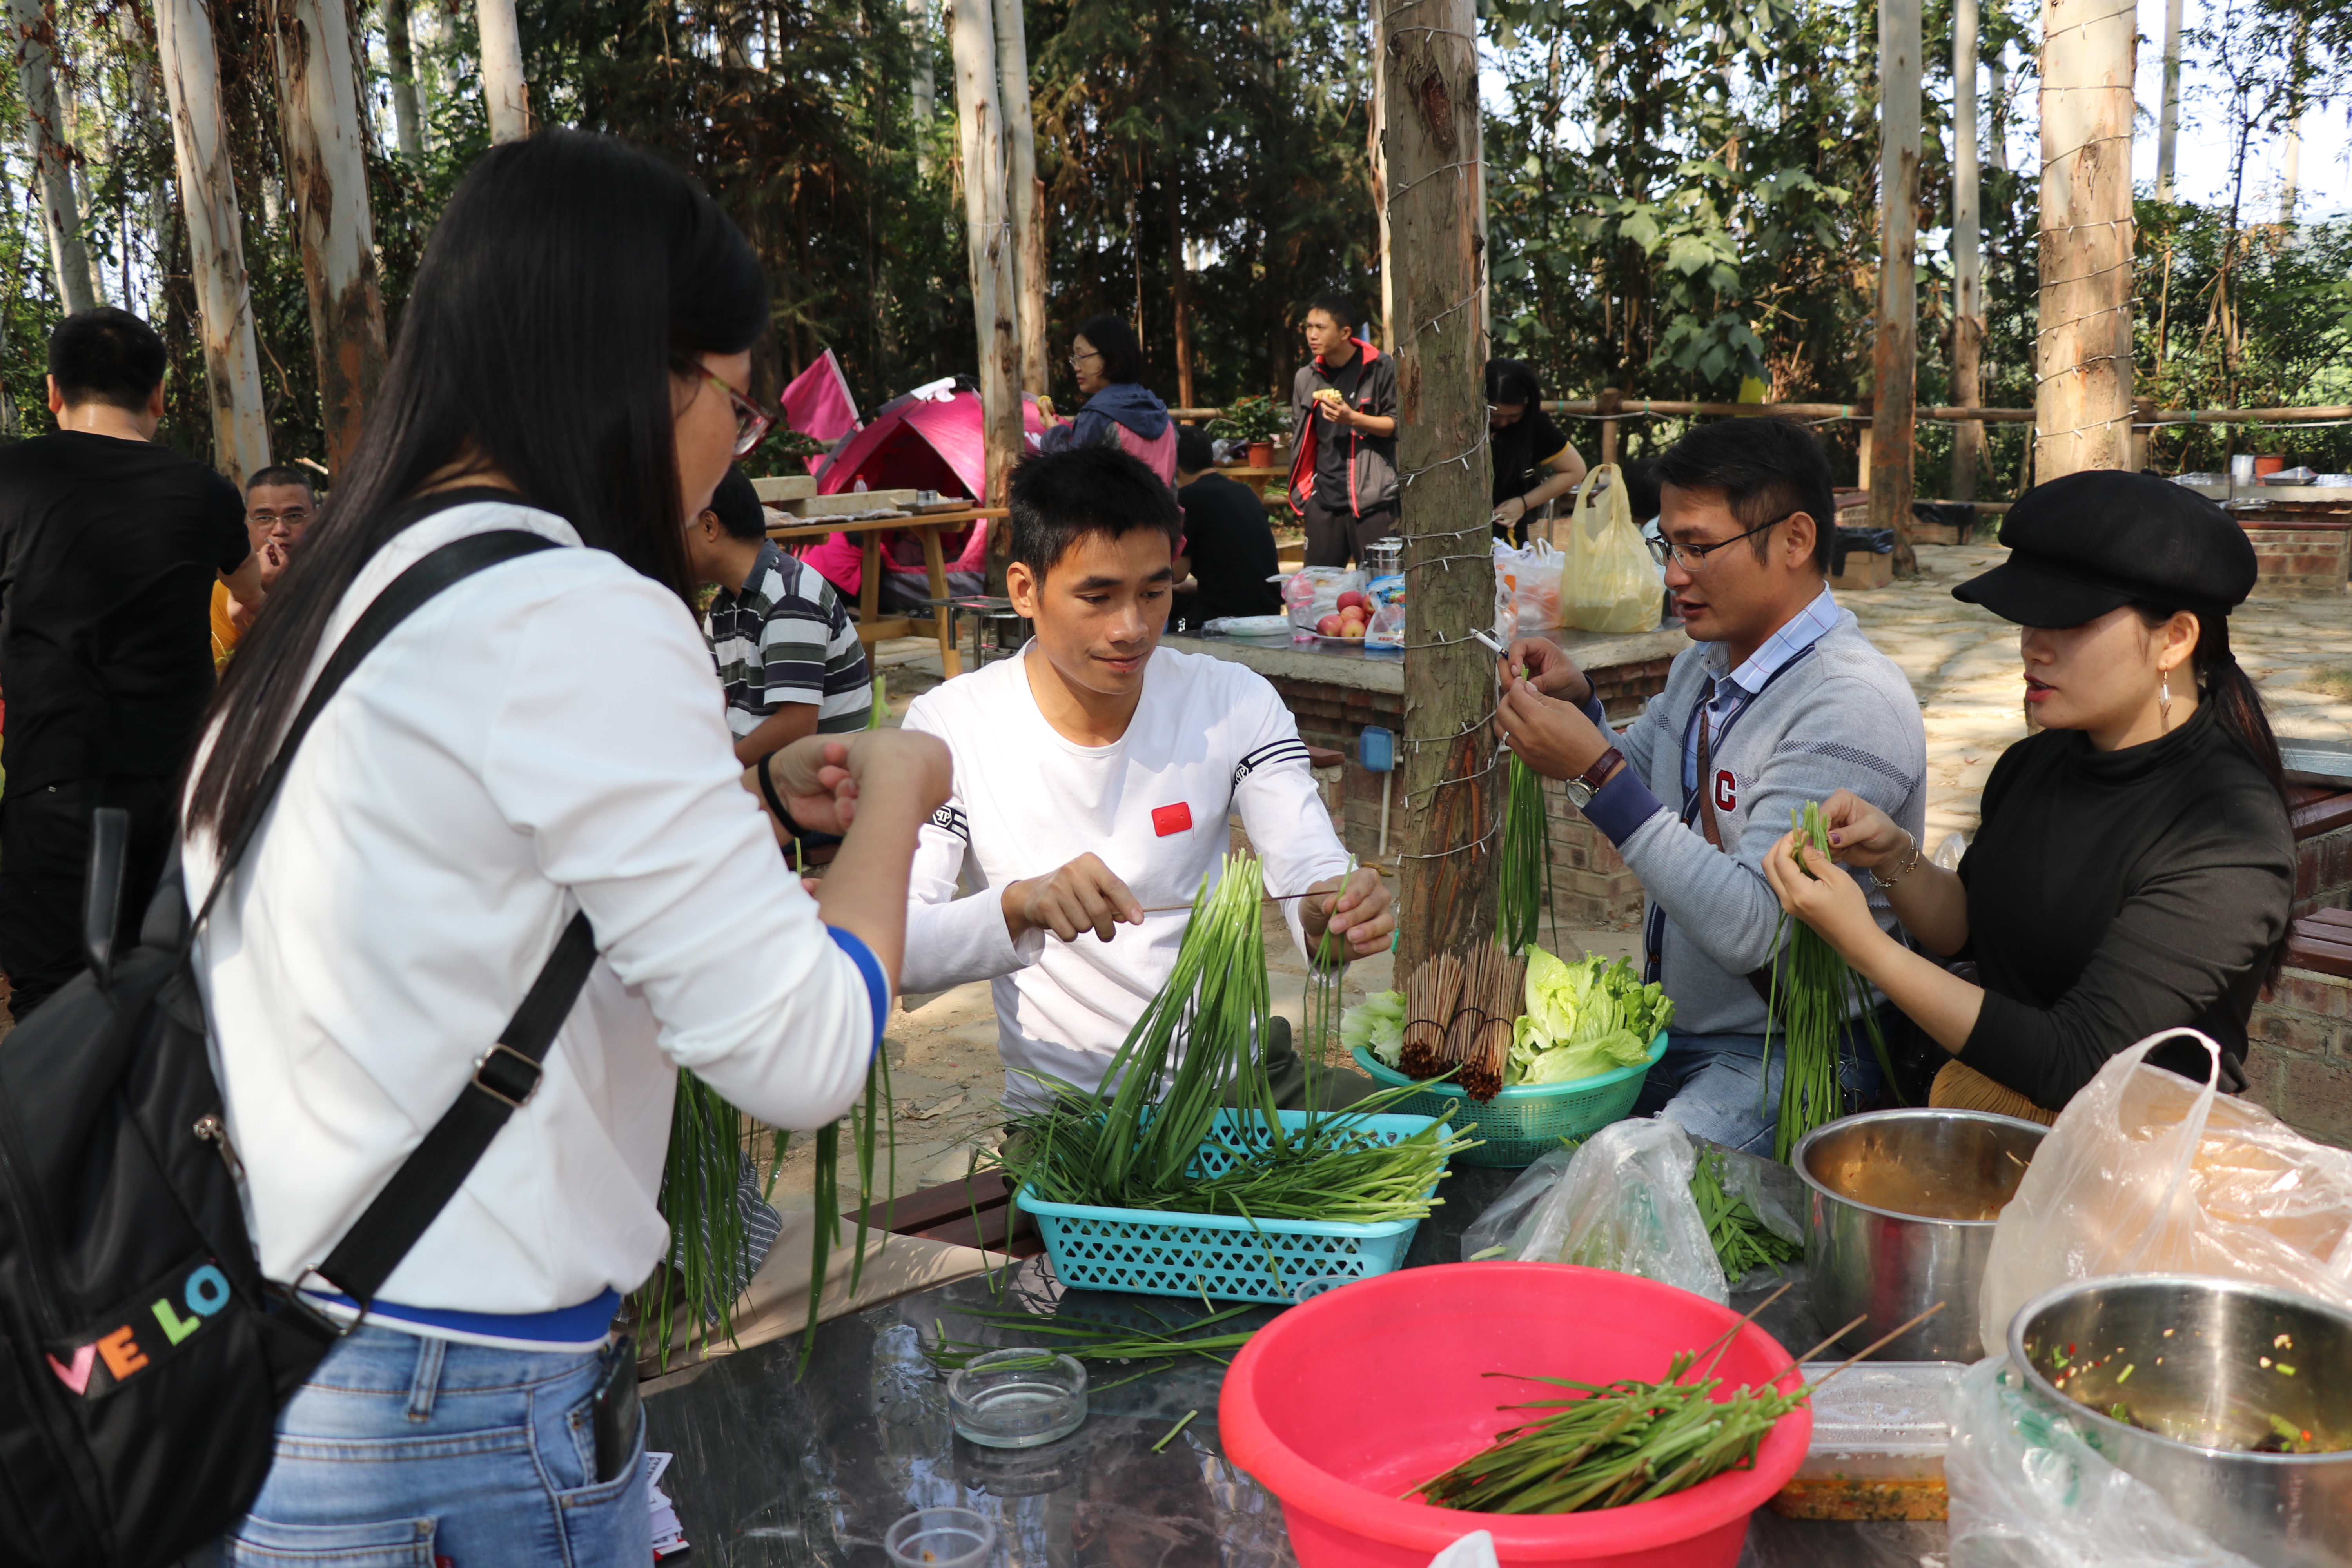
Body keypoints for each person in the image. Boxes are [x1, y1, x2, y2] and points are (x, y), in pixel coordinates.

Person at [182, 132, 950, 1564]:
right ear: (639, 371)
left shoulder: (342, 593)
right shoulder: (575, 608)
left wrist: (793, 825)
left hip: (297, 1358)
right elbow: (801, 1049)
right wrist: (903, 783)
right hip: (460, 1412)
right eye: (737, 401)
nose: (738, 450)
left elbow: (499, 922)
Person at [1760, 472, 2294, 1123]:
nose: (2032, 646)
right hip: (1996, 1126)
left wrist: (1865, 946)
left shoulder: (2228, 833)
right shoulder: (2034, 763)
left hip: (2131, 1171)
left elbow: (2076, 1061)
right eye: (2027, 617)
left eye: (2068, 620)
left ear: (2175, 639)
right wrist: (1892, 856)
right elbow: (1968, 929)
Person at [898, 445, 1392, 1106]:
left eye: (1154, 592)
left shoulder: (1231, 702)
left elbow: (1307, 867)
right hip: (1072, 1113)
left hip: (1236, 1084)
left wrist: (1329, 917)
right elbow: (898, 945)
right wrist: (1020, 904)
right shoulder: (951, 728)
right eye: (1097, 597)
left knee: (1441, 1149)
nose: (1131, 628)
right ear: (1024, 590)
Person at [1494, 418, 1926, 1157]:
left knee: (1621, 1196)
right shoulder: (1708, 663)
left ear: (1794, 540)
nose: (1673, 575)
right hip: (1682, 1032)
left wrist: (1593, 770)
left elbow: (1754, 924)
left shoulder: (1849, 704)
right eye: (1670, 546)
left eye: (1699, 547)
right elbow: (1648, 770)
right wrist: (1583, 710)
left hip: (1788, 1052)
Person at [0, 307, 265, 1021]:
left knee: (52, 1005)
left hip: (54, 779)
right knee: (183, 994)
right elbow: (251, 606)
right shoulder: (207, 493)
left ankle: (61, 1132)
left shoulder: (10, 476)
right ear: (158, 397)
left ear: (53, 392)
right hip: (180, 787)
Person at [691, 464, 873, 763]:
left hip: (817, 775)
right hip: (762, 765)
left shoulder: (789, 597)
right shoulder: (724, 606)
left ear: (709, 526)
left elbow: (796, 726)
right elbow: (714, 702)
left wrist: (718, 776)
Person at [1288, 292, 1399, 566]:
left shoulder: (1381, 368)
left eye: (1321, 328)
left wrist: (1353, 419)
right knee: (1319, 590)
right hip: (1324, 501)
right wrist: (1307, 497)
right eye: (1309, 327)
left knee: (1384, 591)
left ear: (1345, 332)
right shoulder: (1306, 377)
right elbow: (1300, 436)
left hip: (1373, 502)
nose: (1312, 335)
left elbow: (1397, 427)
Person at [1039, 313, 1175, 484]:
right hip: (1163, 511)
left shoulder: (1098, 415)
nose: (1077, 367)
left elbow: (1069, 473)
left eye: (1082, 357)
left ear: (1113, 357)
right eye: (1074, 359)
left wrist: (1054, 433)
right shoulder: (1162, 415)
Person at [1169, 425, 1280, 631]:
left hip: (1222, 619)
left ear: (1175, 467)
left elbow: (1175, 574)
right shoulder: (1244, 492)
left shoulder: (1188, 499)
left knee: (1163, 613)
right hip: (1268, 611)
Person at [212, 464, 318, 669]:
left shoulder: (343, 578)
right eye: (264, 518)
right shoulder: (225, 590)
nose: (280, 530)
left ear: (318, 519)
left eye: (294, 516)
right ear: (245, 525)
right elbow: (223, 680)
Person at [1486, 358, 1587, 543]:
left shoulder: (1536, 426)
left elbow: (1575, 470)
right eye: (1494, 415)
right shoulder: (1462, 419)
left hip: (1507, 536)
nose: (1502, 423)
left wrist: (1524, 503)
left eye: (1513, 416)